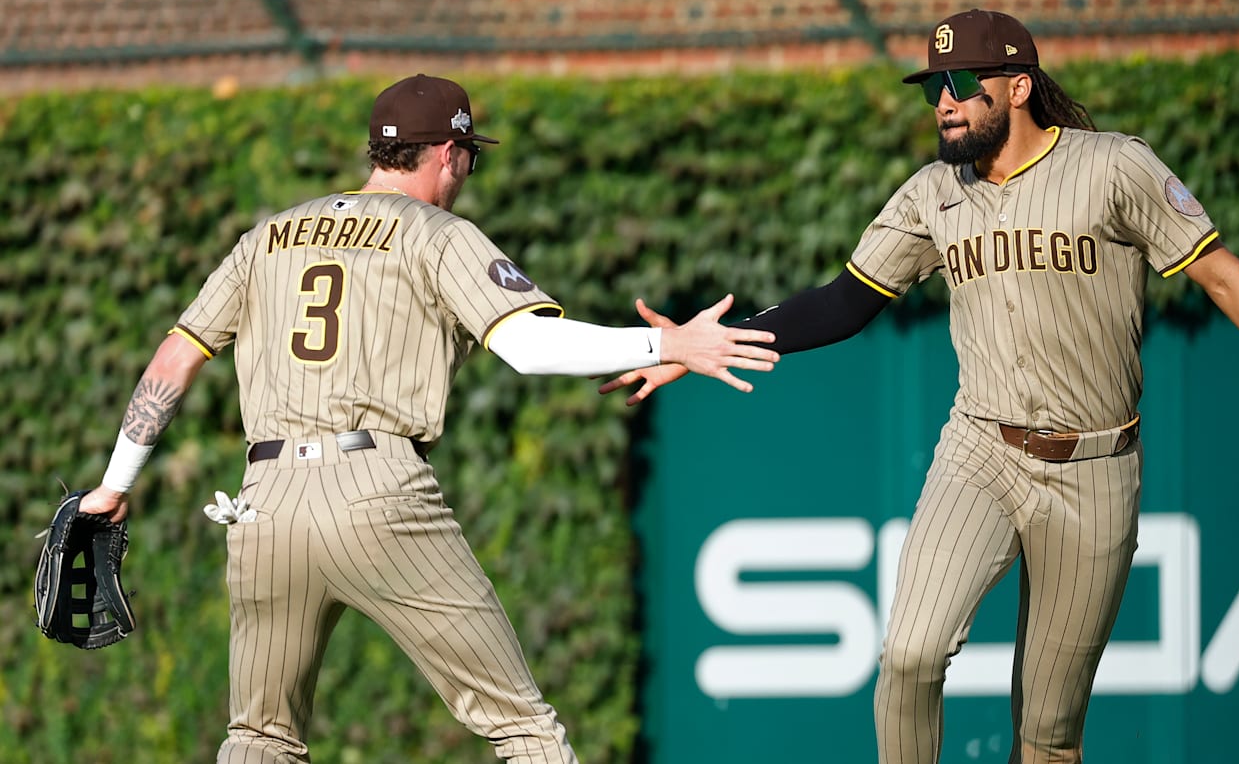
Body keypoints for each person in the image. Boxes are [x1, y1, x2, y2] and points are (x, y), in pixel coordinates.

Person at [600, 10, 1239, 763]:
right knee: (908, 656)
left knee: (1048, 737)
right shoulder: (931, 195)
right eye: (932, 86)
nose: (943, 100)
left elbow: (1217, 272)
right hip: (982, 449)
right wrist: (698, 343)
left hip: (1097, 469)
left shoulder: (1111, 166)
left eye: (962, 80)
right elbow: (844, 302)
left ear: (1016, 85)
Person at [77, 73, 779, 763]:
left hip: (263, 503)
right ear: (450, 152)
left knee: (260, 740)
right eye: (473, 155)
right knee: (522, 727)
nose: (470, 171)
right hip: (376, 489)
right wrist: (671, 342)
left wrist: (113, 485)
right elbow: (530, 348)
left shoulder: (270, 236)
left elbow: (172, 360)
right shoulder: (438, 234)